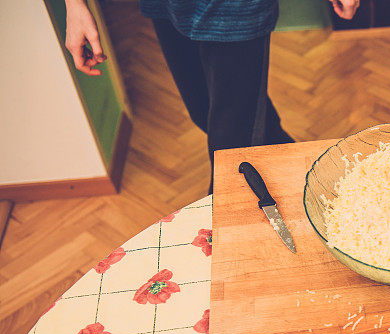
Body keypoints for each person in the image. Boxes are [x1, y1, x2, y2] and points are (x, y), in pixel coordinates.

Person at [64, 0, 359, 193]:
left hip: (236, 9)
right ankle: (319, 185)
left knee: (229, 149)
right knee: (208, 112)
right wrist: (75, 6)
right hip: (168, 6)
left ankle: (228, 248)